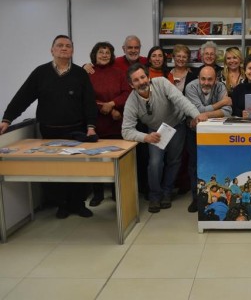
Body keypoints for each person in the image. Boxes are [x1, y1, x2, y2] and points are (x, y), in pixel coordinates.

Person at [1, 35, 97, 219]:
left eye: (68, 46)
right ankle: (61, 205)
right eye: (59, 45)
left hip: (76, 130)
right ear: (52, 50)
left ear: (72, 51)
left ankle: (79, 204)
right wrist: (7, 119)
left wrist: (91, 126)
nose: (64, 48)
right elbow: (23, 97)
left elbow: (89, 102)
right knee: (55, 169)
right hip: (50, 131)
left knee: (78, 169)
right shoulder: (40, 73)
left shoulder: (80, 74)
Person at [121, 63, 204, 213]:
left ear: (148, 77)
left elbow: (181, 100)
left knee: (174, 161)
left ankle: (167, 192)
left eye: (143, 77)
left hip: (176, 125)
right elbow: (126, 131)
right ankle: (155, 196)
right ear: (131, 84)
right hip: (155, 132)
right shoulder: (131, 101)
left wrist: (196, 115)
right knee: (155, 163)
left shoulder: (162, 83)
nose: (141, 82)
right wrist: (146, 137)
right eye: (136, 80)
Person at [87, 41, 131, 207]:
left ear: (112, 55)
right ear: (95, 55)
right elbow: (86, 98)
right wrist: (104, 108)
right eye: (101, 52)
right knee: (95, 161)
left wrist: (113, 105)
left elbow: (127, 93)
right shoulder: (88, 73)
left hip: (116, 123)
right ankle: (97, 194)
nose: (104, 55)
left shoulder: (119, 73)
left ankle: (115, 192)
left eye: (107, 53)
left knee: (116, 160)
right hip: (96, 124)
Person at [184, 65, 232, 212]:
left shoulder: (221, 87)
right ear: (198, 78)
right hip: (194, 131)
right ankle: (196, 198)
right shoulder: (191, 87)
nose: (206, 82)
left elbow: (228, 111)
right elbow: (196, 110)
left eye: (210, 79)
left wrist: (205, 115)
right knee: (194, 165)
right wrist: (220, 104)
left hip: (215, 135)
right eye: (203, 79)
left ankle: (214, 198)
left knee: (214, 165)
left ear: (216, 80)